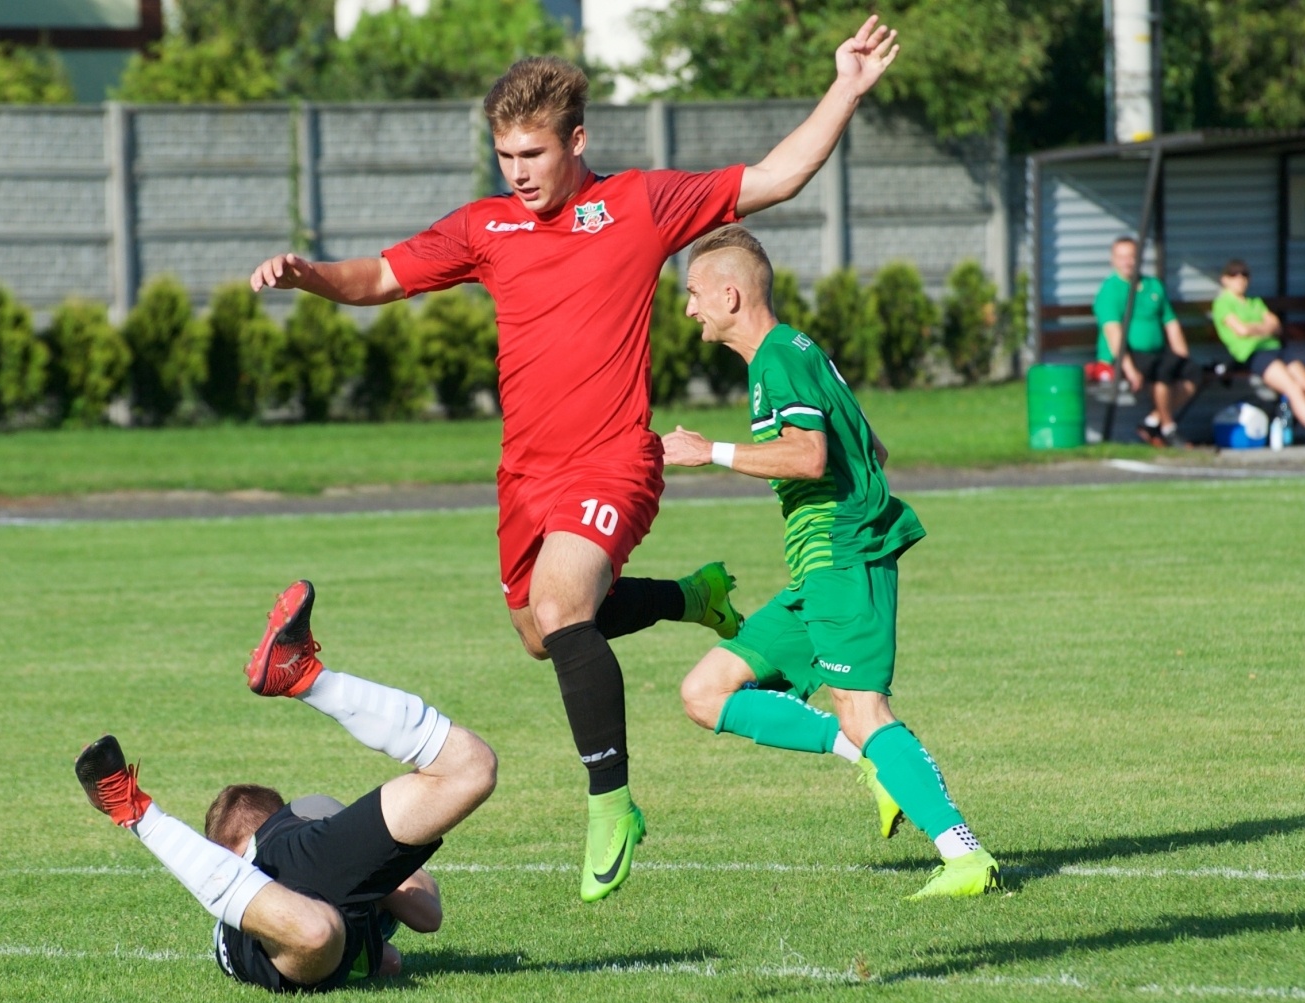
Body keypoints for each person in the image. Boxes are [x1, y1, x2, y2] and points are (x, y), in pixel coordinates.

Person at [248, 18, 902, 903]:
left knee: (562, 607)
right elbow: (377, 279)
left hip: (612, 460)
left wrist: (847, 89)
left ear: (576, 142)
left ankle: (612, 803)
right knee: (539, 633)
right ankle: (689, 597)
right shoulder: (485, 228)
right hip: (527, 475)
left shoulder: (638, 204)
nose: (517, 172)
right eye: (504, 155)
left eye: (533, 153)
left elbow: (777, 176)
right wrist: (307, 274)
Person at [659, 226, 1000, 900]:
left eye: (695, 294)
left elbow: (810, 456)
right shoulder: (799, 350)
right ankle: (873, 767)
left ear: (730, 294)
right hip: (820, 569)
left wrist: (711, 453)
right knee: (705, 694)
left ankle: (965, 856)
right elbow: (870, 446)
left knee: (862, 706)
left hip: (843, 559)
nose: (689, 309)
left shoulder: (775, 361)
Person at [73, 580, 497, 992]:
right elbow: (424, 917)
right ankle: (306, 678)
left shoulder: (282, 856)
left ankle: (135, 812)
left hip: (306, 864)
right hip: (307, 859)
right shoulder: (302, 830)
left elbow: (414, 927)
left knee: (317, 932)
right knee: (471, 768)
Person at [1211, 258, 1305, 450]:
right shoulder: (1223, 303)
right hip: (1253, 354)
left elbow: (1276, 326)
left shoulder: (1254, 302)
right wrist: (1263, 328)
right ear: (1224, 279)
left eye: (1244, 274)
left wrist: (1257, 328)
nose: (1240, 279)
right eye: (1234, 274)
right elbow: (1242, 331)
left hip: (1276, 349)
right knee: (1293, 389)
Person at [1093, 236, 1200, 447]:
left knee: (1192, 371)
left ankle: (1152, 421)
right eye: (1121, 257)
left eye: (1131, 257)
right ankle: (1169, 429)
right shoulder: (1110, 290)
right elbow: (1114, 334)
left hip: (1157, 354)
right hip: (1126, 356)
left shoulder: (1153, 286)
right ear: (1113, 260)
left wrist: (1181, 356)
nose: (1127, 262)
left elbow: (1171, 323)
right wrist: (1130, 370)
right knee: (1163, 371)